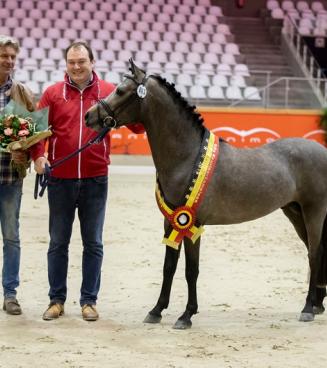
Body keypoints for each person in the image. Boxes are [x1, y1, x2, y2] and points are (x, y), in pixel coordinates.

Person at [31, 41, 116, 322]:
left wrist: (144, 97)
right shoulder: (53, 93)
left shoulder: (109, 92)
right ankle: (56, 300)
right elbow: (38, 131)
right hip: (60, 180)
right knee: (58, 242)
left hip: (96, 179)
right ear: (66, 64)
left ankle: (89, 301)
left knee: (93, 243)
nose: (76, 66)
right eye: (71, 62)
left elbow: (137, 123)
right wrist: (39, 157)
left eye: (81, 61)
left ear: (92, 61)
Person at [0, 35, 36, 315]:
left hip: (11, 178)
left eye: (12, 56)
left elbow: (33, 132)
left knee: (11, 237)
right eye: (4, 56)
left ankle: (10, 294)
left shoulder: (22, 92)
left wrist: (27, 150)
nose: (9, 61)